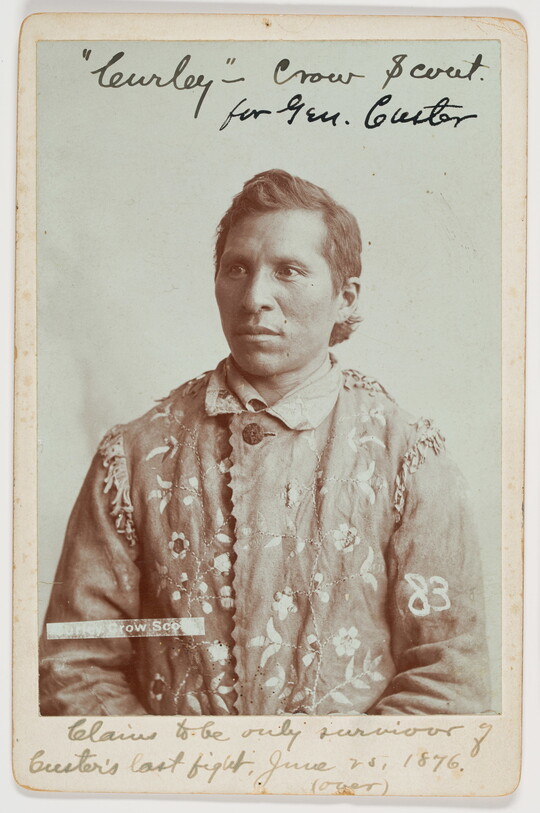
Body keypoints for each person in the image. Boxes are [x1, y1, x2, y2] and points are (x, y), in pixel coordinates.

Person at [39, 169, 490, 716]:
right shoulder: (134, 457)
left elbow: (448, 680)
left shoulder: (407, 457)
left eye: (289, 271)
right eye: (237, 269)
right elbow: (75, 664)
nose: (254, 297)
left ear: (345, 297)